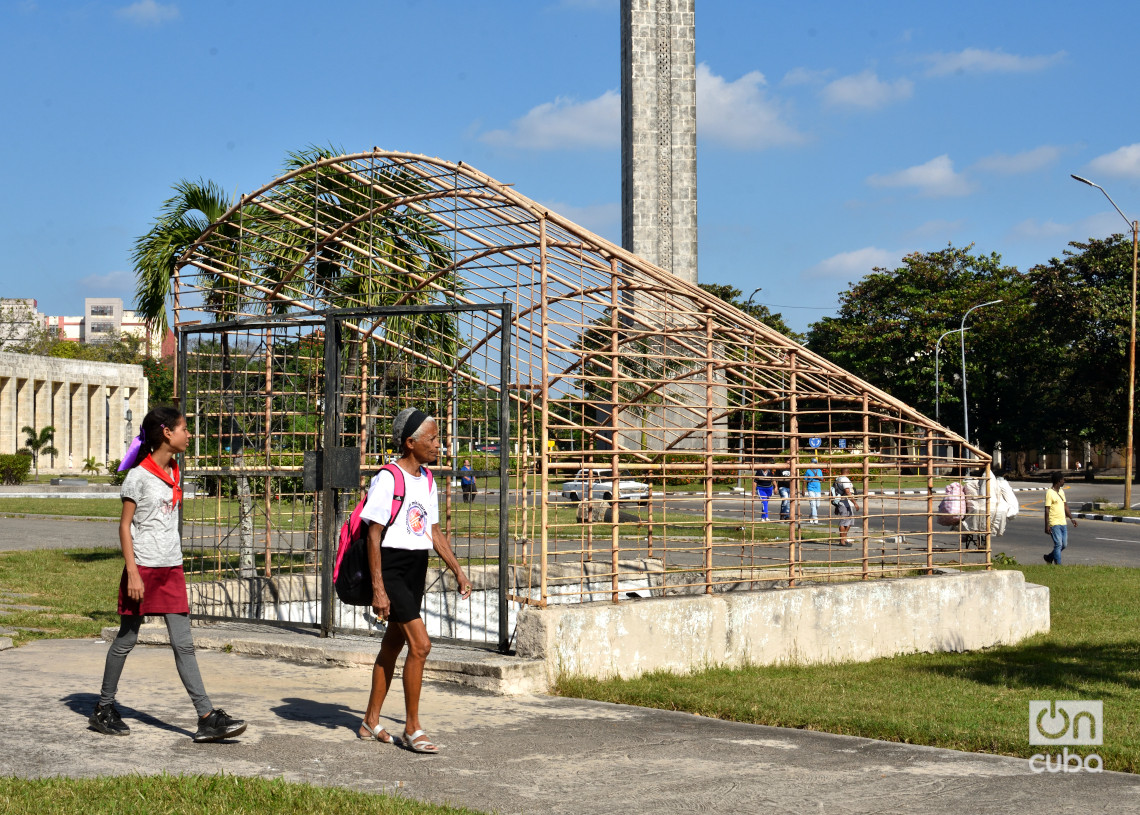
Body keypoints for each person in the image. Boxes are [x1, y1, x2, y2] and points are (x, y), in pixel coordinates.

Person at [90, 406, 246, 743]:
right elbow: (124, 526)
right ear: (166, 432)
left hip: (171, 567)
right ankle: (103, 707)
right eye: (184, 429)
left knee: (184, 644)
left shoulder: (175, 470)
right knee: (127, 638)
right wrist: (132, 572)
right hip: (143, 569)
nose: (189, 434)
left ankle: (206, 717)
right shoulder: (138, 476)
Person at [358, 408, 472, 753]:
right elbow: (372, 535)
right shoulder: (389, 478)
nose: (440, 444)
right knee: (421, 645)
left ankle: (369, 721)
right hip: (390, 566)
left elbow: (433, 531)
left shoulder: (428, 479)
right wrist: (378, 588)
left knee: (393, 645)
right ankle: (412, 728)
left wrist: (457, 569)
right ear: (411, 442)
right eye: (433, 438)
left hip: (416, 567)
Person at [1044, 473, 1078, 564]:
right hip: (1054, 523)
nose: (1064, 481)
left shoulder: (1061, 492)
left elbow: (1065, 506)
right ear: (1059, 481)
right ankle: (1058, 565)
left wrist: (1071, 518)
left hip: (1063, 522)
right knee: (1058, 544)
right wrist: (1047, 525)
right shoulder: (1049, 493)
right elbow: (1047, 509)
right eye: (1063, 479)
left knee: (1064, 545)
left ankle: (1049, 557)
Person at [832, 468, 860, 547]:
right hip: (844, 502)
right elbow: (847, 492)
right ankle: (842, 540)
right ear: (848, 472)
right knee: (844, 521)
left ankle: (844, 538)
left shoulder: (838, 479)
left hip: (844, 502)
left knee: (849, 521)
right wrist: (855, 503)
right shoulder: (844, 479)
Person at [803, 459, 823, 524]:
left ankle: (811, 515)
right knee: (813, 504)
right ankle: (815, 518)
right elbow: (805, 481)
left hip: (818, 489)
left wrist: (818, 477)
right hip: (810, 489)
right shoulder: (808, 471)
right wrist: (803, 490)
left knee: (818, 504)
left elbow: (823, 480)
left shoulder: (819, 471)